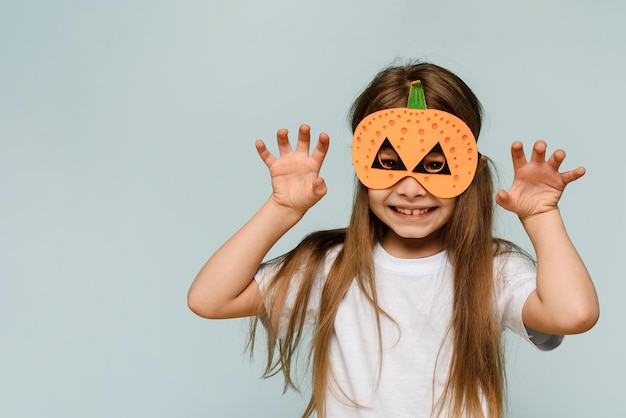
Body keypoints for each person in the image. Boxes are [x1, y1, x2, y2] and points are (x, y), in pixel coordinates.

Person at [187, 62, 599, 418]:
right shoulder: (332, 265)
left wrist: (542, 216)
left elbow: (574, 313)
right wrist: (283, 209)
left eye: (436, 166)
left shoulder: (493, 270)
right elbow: (209, 299)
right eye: (388, 164)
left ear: (472, 168)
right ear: (362, 168)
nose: (411, 188)